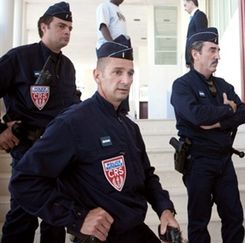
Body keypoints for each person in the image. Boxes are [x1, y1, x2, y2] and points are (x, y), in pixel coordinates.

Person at [9, 35, 180, 243]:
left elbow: (147, 176)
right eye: (117, 72)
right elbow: (24, 180)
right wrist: (77, 217)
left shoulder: (129, 127)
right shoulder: (72, 123)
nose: (126, 80)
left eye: (130, 73)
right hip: (99, 237)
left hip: (134, 230)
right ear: (97, 75)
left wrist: (165, 209)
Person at [0, 2, 80, 243]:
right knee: (22, 216)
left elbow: (72, 108)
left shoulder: (67, 67)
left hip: (59, 153)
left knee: (56, 218)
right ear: (44, 27)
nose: (67, 31)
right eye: (61, 26)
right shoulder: (19, 57)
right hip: (27, 149)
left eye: (70, 28)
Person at [171, 27, 245, 243]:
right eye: (212, 50)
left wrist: (215, 122)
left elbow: (243, 114)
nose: (217, 55)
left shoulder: (223, 85)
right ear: (195, 54)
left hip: (224, 160)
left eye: (218, 50)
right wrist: (226, 109)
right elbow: (197, 116)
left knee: (234, 216)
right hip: (198, 160)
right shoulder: (182, 86)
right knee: (199, 220)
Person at [183, 0, 208, 66]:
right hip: (193, 58)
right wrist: (188, 59)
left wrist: (197, 57)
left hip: (196, 58)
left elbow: (201, 37)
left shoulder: (199, 15)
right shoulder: (193, 17)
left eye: (185, 5)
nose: (184, 9)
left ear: (191, 2)